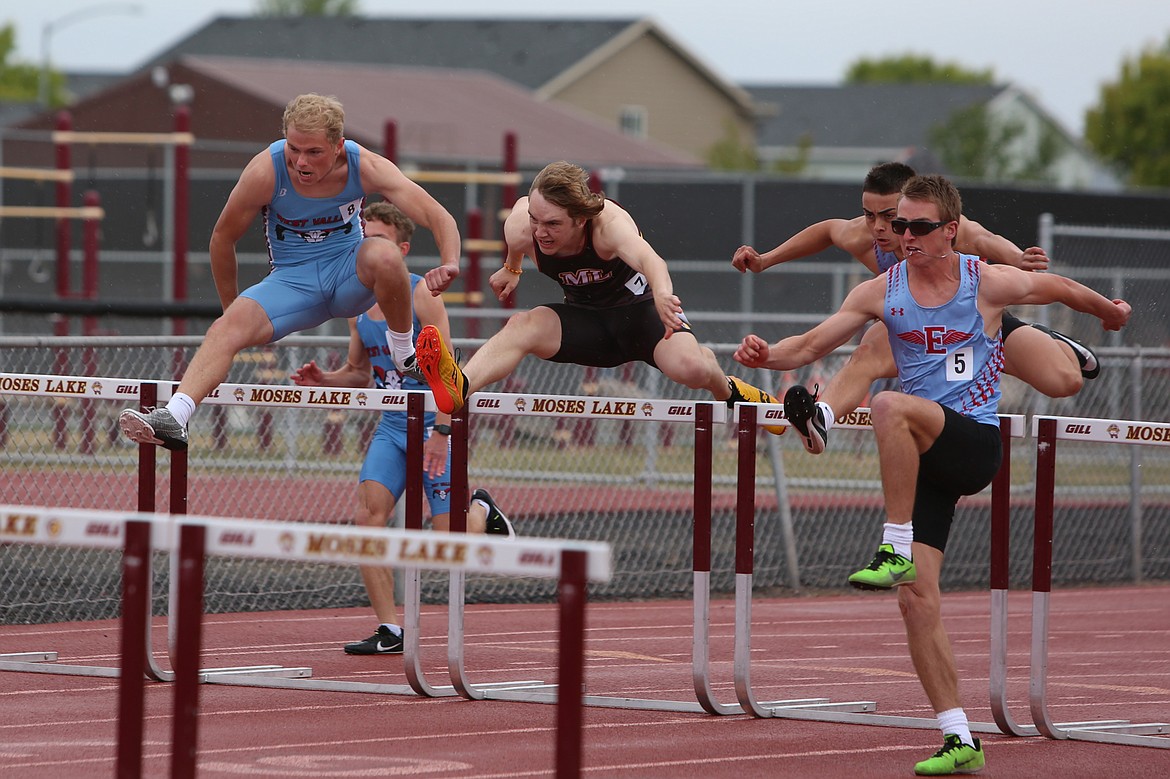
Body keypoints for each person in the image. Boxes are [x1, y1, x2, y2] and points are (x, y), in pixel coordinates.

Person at [733, 175, 1130, 775]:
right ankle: (959, 737)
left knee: (892, 405)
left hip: (972, 442)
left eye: (917, 227)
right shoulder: (881, 290)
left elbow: (1056, 285)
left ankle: (891, 543)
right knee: (917, 600)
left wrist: (1111, 310)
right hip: (925, 457)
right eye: (898, 226)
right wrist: (768, 356)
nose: (902, 236)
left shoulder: (983, 279)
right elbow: (813, 341)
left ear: (949, 232)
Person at [119, 93, 462, 451]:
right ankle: (175, 418)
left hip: (348, 274)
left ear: (338, 147)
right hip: (292, 281)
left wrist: (450, 261)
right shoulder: (266, 171)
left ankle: (403, 352)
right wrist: (232, 310)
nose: (301, 162)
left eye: (314, 152)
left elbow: (437, 215)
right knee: (224, 329)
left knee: (386, 255)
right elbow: (222, 238)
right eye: (294, 149)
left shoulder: (365, 166)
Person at [731, 161, 1099, 456]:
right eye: (869, 215)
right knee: (867, 352)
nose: (880, 228)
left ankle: (1051, 341)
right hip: (915, 333)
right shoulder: (865, 234)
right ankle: (822, 417)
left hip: (976, 332)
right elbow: (827, 231)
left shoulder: (945, 228)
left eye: (890, 217)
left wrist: (1016, 257)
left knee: (1063, 380)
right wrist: (765, 259)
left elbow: (985, 238)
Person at [291, 202, 513, 655]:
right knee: (367, 517)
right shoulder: (358, 306)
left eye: (378, 239)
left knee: (445, 544)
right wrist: (325, 379)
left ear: (402, 248)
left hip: (437, 421)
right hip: (393, 428)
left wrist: (443, 433)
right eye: (363, 239)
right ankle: (391, 630)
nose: (368, 249)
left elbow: (452, 372)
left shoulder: (422, 296)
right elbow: (360, 371)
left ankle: (480, 511)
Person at [413, 160, 783, 431]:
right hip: (587, 322)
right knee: (522, 324)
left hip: (640, 316)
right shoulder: (522, 228)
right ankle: (460, 384)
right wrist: (512, 269)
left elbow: (651, 260)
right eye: (537, 221)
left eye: (553, 224)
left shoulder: (608, 225)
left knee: (692, 368)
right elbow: (516, 244)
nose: (541, 233)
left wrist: (661, 296)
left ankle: (730, 392)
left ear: (580, 218)